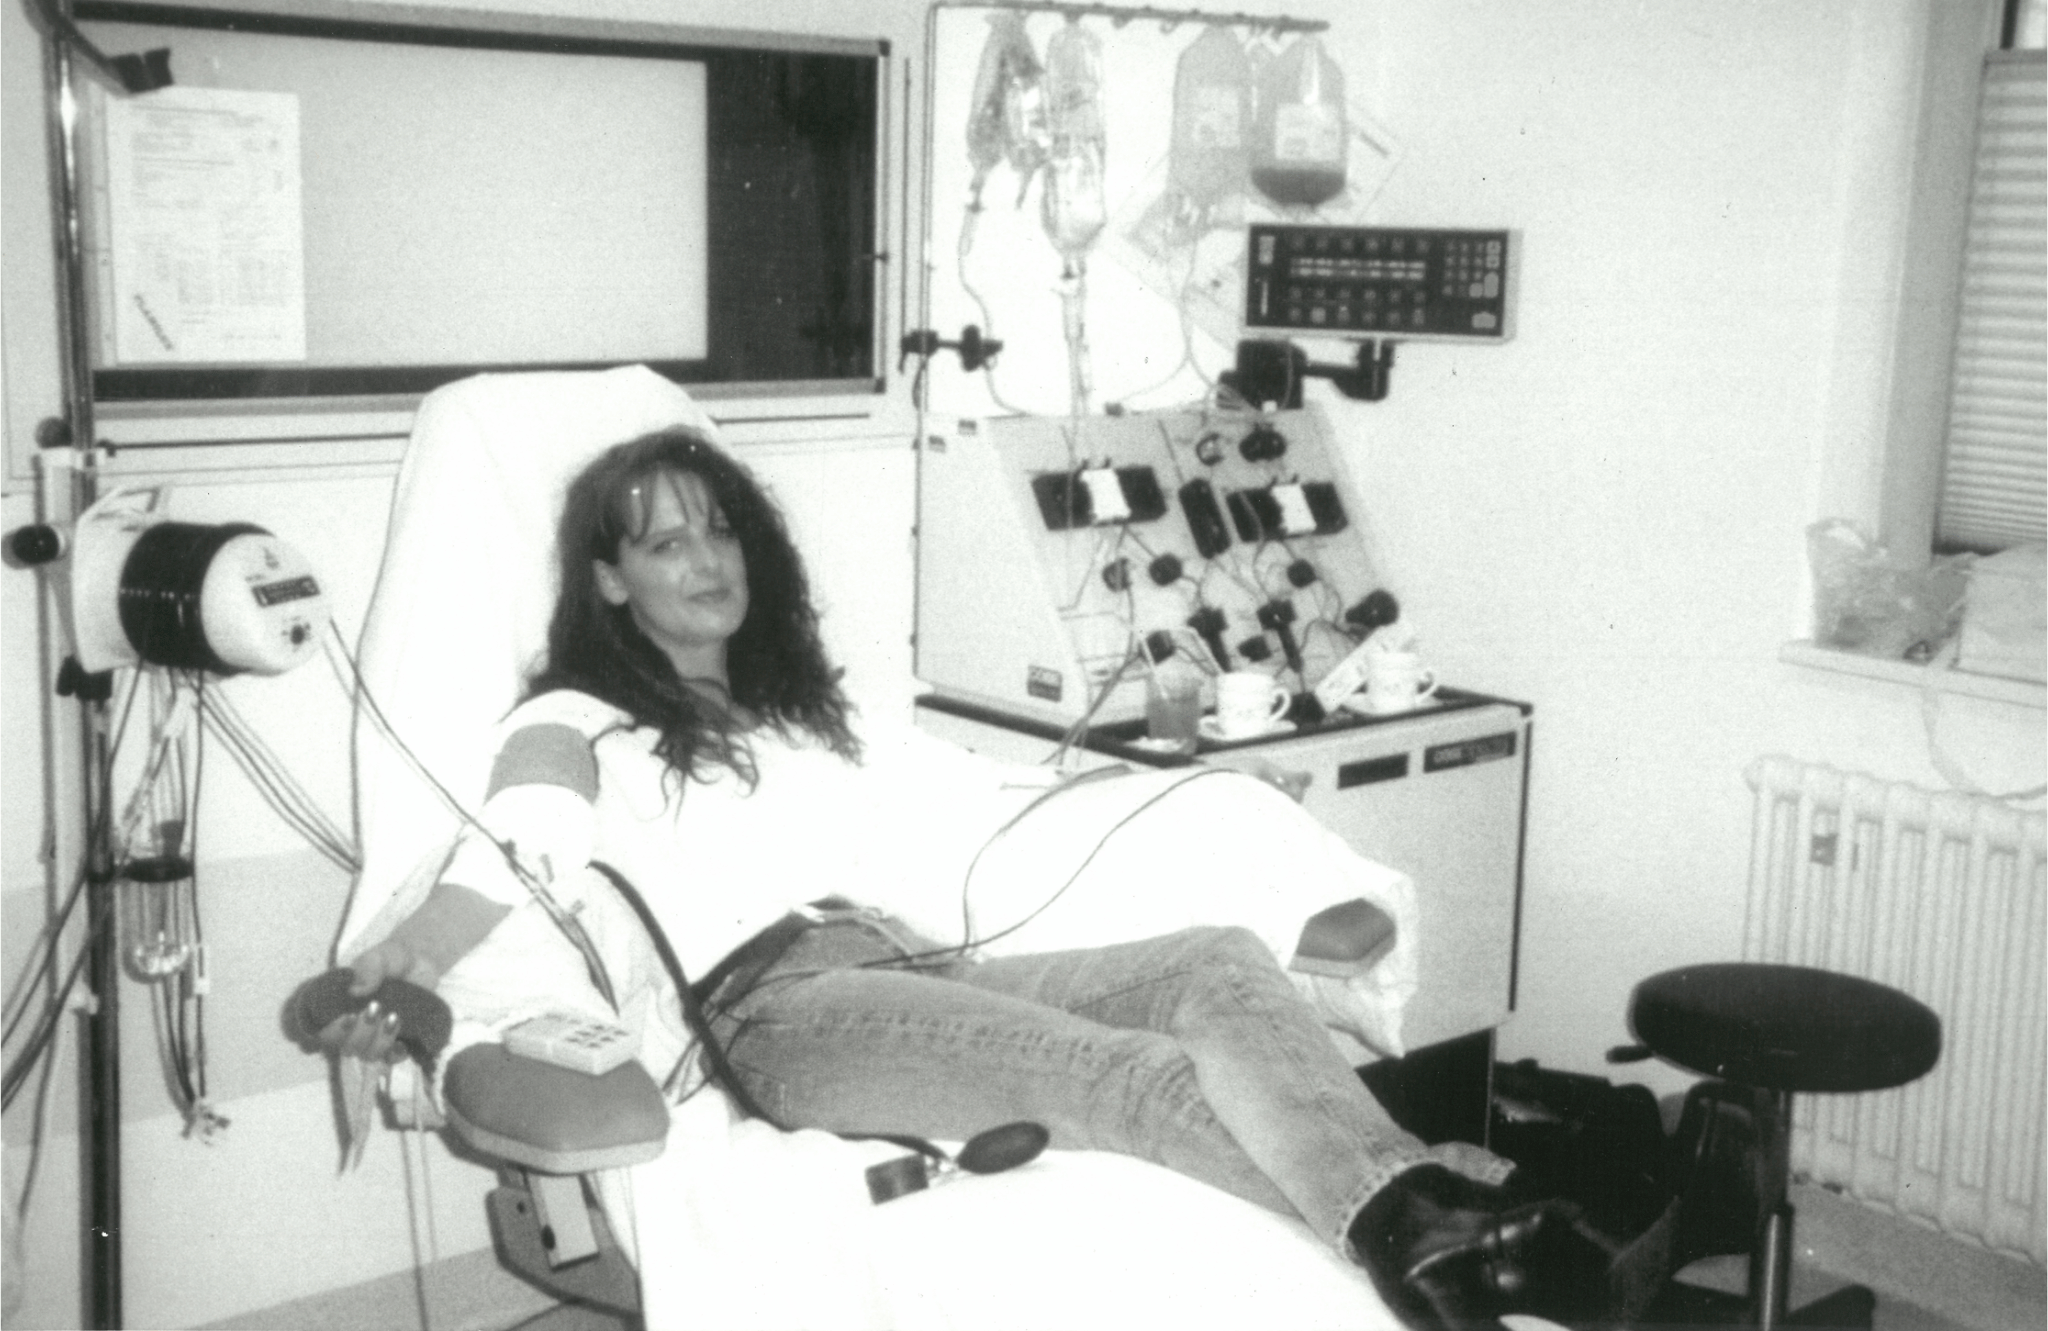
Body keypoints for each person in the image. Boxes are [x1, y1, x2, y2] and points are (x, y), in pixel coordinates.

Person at [332, 425, 1582, 1331]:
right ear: (609, 581)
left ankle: (1428, 1231)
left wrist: (1141, 795)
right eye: (665, 542)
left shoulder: (799, 712)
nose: (706, 558)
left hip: (909, 962)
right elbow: (525, 834)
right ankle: (1449, 1230)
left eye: (719, 527)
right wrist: (419, 951)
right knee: (1128, 1079)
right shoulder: (575, 713)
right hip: (781, 1014)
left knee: (1214, 960)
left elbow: (958, 807)